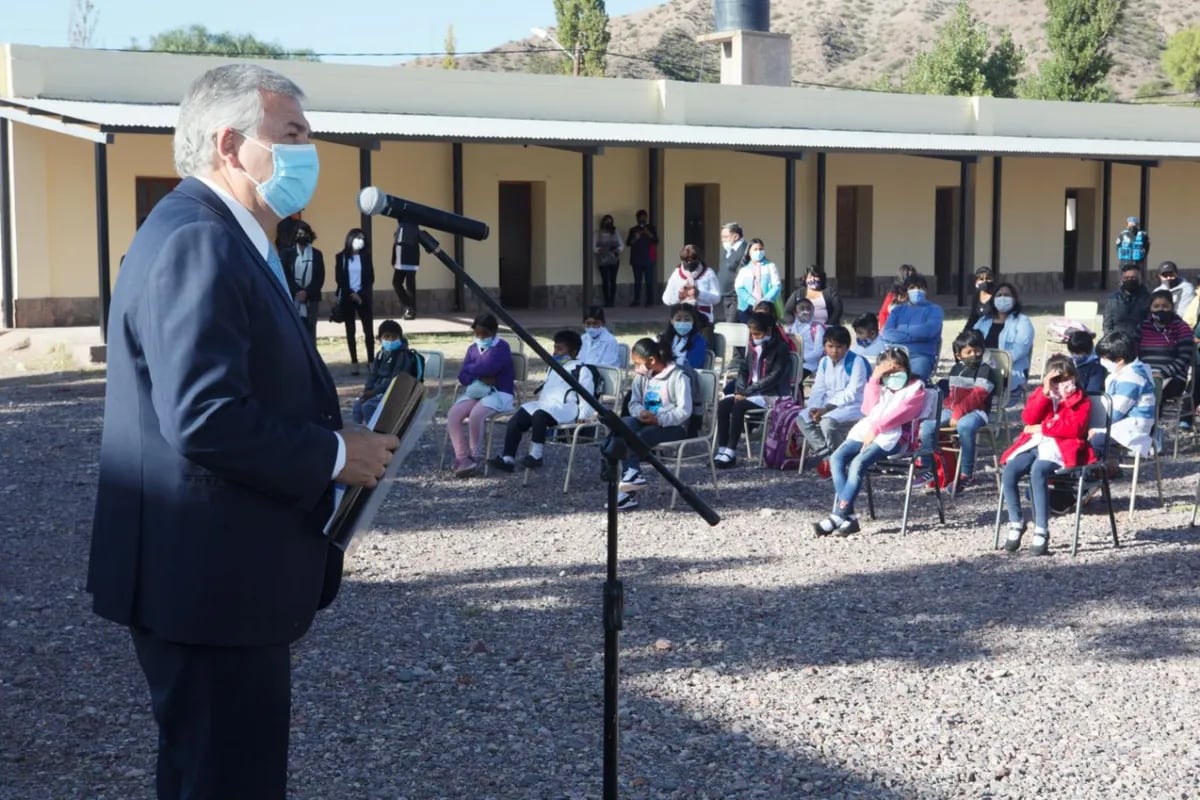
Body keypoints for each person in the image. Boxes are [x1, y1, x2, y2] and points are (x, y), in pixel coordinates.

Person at [87, 64, 399, 800]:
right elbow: (203, 414)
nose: (308, 150)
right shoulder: (200, 240)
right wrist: (333, 453)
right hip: (208, 586)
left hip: (213, 580)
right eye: (291, 133)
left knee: (208, 775)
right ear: (230, 144)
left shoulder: (227, 238)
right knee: (229, 780)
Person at [811, 347, 928, 537]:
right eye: (888, 372)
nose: (893, 375)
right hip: (867, 429)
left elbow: (902, 414)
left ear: (906, 368)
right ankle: (849, 518)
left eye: (897, 370)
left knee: (858, 463)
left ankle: (838, 516)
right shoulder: (881, 385)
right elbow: (867, 408)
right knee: (837, 458)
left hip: (895, 436)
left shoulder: (916, 388)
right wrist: (875, 378)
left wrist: (876, 429)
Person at [998, 355, 1093, 556]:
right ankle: (1016, 522)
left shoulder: (1080, 400)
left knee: (1038, 471)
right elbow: (1028, 418)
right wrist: (1045, 392)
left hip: (1062, 446)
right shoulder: (1045, 394)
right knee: (1010, 470)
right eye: (1057, 380)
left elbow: (1074, 428)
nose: (1063, 384)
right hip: (1035, 443)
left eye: (1067, 378)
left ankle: (1041, 528)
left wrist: (1043, 427)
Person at [488, 329, 595, 472]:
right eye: (555, 347)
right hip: (547, 406)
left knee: (539, 415)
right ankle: (508, 458)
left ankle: (536, 455)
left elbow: (586, 397)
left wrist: (583, 418)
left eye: (560, 348)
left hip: (566, 409)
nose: (555, 352)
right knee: (520, 415)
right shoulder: (553, 367)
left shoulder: (582, 370)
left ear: (574, 352)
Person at [614, 338, 693, 511]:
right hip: (646, 421)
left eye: (638, 363)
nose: (636, 368)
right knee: (624, 425)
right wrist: (640, 412)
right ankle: (630, 480)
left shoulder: (678, 377)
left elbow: (684, 411)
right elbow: (633, 403)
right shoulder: (642, 377)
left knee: (642, 436)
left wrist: (659, 419)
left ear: (652, 360)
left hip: (673, 427)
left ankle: (629, 485)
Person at [712, 311, 792, 468]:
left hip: (770, 394)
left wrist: (746, 392)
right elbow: (743, 370)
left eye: (758, 334)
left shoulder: (781, 349)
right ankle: (722, 448)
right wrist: (740, 390)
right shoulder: (752, 346)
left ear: (769, 331)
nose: (754, 337)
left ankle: (731, 450)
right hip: (750, 392)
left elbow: (774, 377)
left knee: (738, 406)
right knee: (723, 405)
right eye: (752, 334)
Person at [447, 314, 515, 477]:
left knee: (476, 414)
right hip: (477, 391)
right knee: (453, 414)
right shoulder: (472, 348)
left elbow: (489, 368)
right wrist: (478, 371)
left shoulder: (502, 347)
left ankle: (475, 456)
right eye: (477, 334)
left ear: (494, 332)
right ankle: (462, 457)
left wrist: (473, 368)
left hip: (499, 392)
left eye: (484, 334)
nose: (480, 337)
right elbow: (462, 376)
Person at [797, 326, 869, 474]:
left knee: (827, 423)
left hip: (852, 405)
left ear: (847, 347)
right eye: (830, 346)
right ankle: (828, 456)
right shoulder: (824, 362)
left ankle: (840, 457)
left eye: (839, 347)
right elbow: (818, 389)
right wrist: (814, 408)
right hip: (827, 405)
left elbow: (852, 392)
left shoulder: (856, 361)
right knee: (802, 419)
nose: (834, 351)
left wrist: (826, 409)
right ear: (824, 346)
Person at [939, 329, 997, 493]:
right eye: (969, 352)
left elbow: (978, 395)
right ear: (959, 355)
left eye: (977, 350)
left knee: (965, 426)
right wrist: (947, 406)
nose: (974, 354)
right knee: (929, 425)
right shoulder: (956, 369)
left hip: (977, 412)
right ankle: (929, 466)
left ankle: (966, 473)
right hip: (954, 410)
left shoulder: (986, 369)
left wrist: (958, 413)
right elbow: (952, 394)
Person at [1092, 331, 1156, 471]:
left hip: (1133, 426)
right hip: (1120, 422)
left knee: (1094, 441)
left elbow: (1114, 413)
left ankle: (1093, 478)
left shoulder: (1132, 377)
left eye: (1104, 358)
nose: (1102, 362)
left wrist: (1095, 427)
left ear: (1120, 359)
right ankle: (1104, 471)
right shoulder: (1124, 371)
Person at [971, 282, 1034, 403]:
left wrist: (993, 362)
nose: (1003, 298)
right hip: (981, 367)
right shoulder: (984, 320)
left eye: (1007, 295)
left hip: (1008, 371)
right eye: (999, 295)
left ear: (1014, 299)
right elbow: (972, 341)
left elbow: (1020, 350)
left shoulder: (1023, 322)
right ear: (993, 299)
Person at [352, 320, 420, 425]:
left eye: (394, 337)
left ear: (400, 338)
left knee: (368, 407)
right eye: (387, 337)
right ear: (379, 339)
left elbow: (395, 380)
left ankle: (375, 436)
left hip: (394, 394)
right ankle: (360, 434)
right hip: (378, 392)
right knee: (357, 405)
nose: (391, 340)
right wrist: (367, 390)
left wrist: (374, 392)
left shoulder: (403, 356)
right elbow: (373, 375)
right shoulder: (381, 355)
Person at [881, 274, 944, 382]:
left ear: (926, 290)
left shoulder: (935, 310)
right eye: (912, 288)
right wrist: (914, 335)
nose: (917, 290)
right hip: (896, 355)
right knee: (886, 382)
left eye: (920, 288)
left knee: (913, 383)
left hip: (921, 355)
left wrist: (901, 330)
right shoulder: (897, 310)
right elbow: (886, 333)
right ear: (906, 291)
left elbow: (929, 331)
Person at [1138, 289, 1194, 403]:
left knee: (1152, 392)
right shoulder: (1142, 327)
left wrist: (1162, 373)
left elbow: (1184, 358)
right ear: (1150, 308)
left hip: (1172, 377)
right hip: (1145, 375)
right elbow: (1134, 353)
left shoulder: (1182, 328)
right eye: (1156, 306)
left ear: (1172, 307)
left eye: (1165, 306)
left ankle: (1151, 419)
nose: (1160, 309)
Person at [335, 227, 375, 375]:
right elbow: (339, 278)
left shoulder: (366, 257)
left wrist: (361, 295)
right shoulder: (341, 257)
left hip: (363, 298)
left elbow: (370, 278)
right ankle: (354, 362)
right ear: (350, 239)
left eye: (363, 239)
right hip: (347, 297)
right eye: (357, 238)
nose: (360, 241)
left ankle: (371, 360)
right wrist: (352, 293)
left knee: (368, 331)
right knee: (350, 330)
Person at [281, 219, 324, 341]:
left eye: (305, 233)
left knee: (311, 329)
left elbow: (319, 277)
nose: (302, 236)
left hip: (312, 298)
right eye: (299, 234)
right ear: (294, 236)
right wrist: (297, 291)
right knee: (294, 328)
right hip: (293, 297)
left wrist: (307, 292)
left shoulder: (317, 254)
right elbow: (286, 275)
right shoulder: (287, 254)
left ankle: (312, 357)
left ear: (310, 235)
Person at [662, 244, 721, 324]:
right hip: (682, 319)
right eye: (686, 261)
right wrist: (679, 296)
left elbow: (716, 298)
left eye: (693, 260)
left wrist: (699, 294)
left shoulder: (708, 273)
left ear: (699, 260)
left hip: (704, 318)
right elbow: (666, 299)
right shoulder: (676, 274)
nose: (689, 263)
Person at [733, 238, 782, 322]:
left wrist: (764, 300)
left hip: (766, 307)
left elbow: (776, 286)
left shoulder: (770, 266)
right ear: (749, 252)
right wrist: (752, 301)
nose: (758, 251)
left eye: (760, 249)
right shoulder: (744, 270)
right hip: (747, 308)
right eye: (755, 249)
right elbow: (739, 288)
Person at [1102, 263, 1152, 340]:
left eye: (1133, 278)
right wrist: (1109, 341)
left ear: (1140, 279)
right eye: (1127, 278)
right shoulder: (1112, 300)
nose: (1130, 280)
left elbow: (1150, 324)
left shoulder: (1148, 299)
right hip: (1117, 341)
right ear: (1122, 280)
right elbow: (1107, 325)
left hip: (1140, 341)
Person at [625, 209, 659, 307]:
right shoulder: (633, 230)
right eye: (640, 217)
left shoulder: (651, 228)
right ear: (637, 218)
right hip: (636, 259)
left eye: (644, 217)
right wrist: (636, 237)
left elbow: (656, 241)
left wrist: (648, 233)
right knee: (637, 281)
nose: (642, 219)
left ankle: (650, 301)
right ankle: (637, 300)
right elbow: (628, 243)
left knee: (649, 281)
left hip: (649, 259)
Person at [659, 303, 708, 369]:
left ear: (693, 321)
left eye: (687, 320)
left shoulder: (699, 341)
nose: (682, 323)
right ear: (671, 321)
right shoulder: (664, 338)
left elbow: (693, 365)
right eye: (678, 320)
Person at [717, 222, 749, 323]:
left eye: (726, 237)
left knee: (732, 325)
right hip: (727, 295)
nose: (723, 240)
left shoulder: (745, 250)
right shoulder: (728, 250)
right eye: (722, 237)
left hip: (736, 297)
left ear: (735, 236)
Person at [787, 298, 825, 379]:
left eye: (808, 308)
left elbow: (818, 351)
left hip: (809, 364)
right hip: (792, 361)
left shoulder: (817, 328)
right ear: (795, 312)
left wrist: (802, 359)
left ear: (813, 311)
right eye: (802, 308)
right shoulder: (790, 328)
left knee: (796, 378)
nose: (805, 311)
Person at [391, 222, 419, 321]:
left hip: (410, 258)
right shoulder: (400, 227)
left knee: (410, 285)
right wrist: (394, 259)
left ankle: (411, 310)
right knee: (396, 283)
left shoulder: (413, 226)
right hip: (400, 259)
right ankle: (409, 307)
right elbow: (396, 243)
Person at [594, 214, 623, 307]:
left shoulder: (616, 233)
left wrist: (616, 250)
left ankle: (612, 301)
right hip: (602, 260)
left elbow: (621, 246)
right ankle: (607, 301)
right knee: (605, 280)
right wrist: (601, 250)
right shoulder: (597, 233)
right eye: (606, 221)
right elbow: (594, 247)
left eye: (610, 221)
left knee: (613, 280)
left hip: (614, 260)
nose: (608, 223)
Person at [1066, 329, 1106, 395]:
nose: (1074, 355)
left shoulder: (1096, 368)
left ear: (1088, 351)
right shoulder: (1069, 363)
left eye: (1078, 353)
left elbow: (1093, 392)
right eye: (1072, 352)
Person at [877, 264, 918, 329]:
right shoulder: (893, 294)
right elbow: (883, 313)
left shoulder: (917, 294)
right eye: (909, 277)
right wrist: (884, 328)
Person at [1156, 261, 1195, 327]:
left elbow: (1183, 311)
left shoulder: (1187, 288)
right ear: (1160, 276)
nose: (1168, 278)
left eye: (1171, 275)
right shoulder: (1157, 291)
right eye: (1165, 275)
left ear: (1177, 274)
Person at [962, 266, 995, 332]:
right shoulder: (977, 295)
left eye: (988, 279)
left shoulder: (996, 295)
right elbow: (973, 317)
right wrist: (964, 333)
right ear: (976, 281)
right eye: (981, 279)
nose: (985, 281)